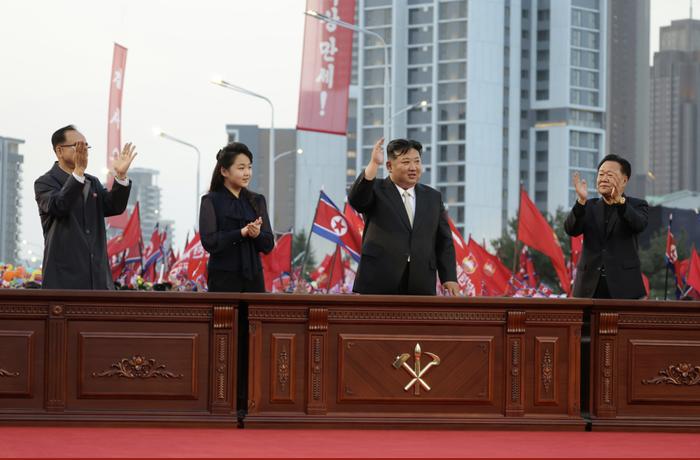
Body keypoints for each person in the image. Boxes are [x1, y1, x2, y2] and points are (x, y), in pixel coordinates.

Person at [348, 138, 459, 296]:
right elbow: (356, 200)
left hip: (421, 282)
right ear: (389, 166)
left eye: (417, 161)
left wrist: (449, 277)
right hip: (379, 280)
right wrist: (373, 164)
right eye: (406, 162)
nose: (413, 168)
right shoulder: (376, 189)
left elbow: (444, 241)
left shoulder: (433, 197)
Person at [35, 125, 137, 289]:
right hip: (64, 282)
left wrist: (121, 176)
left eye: (86, 146)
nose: (84, 151)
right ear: (59, 151)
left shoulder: (92, 182)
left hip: (98, 280)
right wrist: (78, 172)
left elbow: (114, 207)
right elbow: (59, 205)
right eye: (78, 146)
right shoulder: (45, 183)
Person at [564, 154, 648, 299]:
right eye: (601, 174)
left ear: (624, 180)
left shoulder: (637, 205)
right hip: (588, 287)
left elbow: (638, 225)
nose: (603, 178)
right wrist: (580, 202)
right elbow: (571, 229)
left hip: (624, 287)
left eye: (610, 175)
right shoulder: (588, 206)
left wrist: (620, 203)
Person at [199, 142, 274, 293]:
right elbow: (210, 242)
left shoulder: (257, 201)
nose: (247, 173)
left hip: (254, 280)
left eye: (249, 167)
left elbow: (268, 245)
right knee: (224, 317)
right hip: (223, 280)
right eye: (241, 168)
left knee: (253, 317)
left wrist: (256, 234)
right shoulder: (211, 201)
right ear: (224, 171)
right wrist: (241, 232)